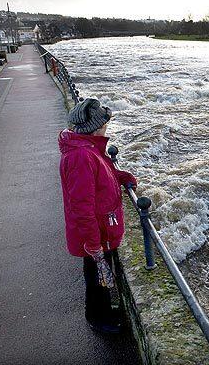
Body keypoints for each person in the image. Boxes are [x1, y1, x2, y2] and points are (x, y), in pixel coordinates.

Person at [58, 98, 137, 334]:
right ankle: (98, 319)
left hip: (99, 231)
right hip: (95, 235)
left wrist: (121, 177)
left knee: (100, 276)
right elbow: (82, 206)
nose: (107, 125)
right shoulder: (81, 156)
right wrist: (93, 244)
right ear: (96, 127)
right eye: (105, 122)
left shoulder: (88, 148)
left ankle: (103, 312)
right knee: (95, 278)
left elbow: (104, 171)